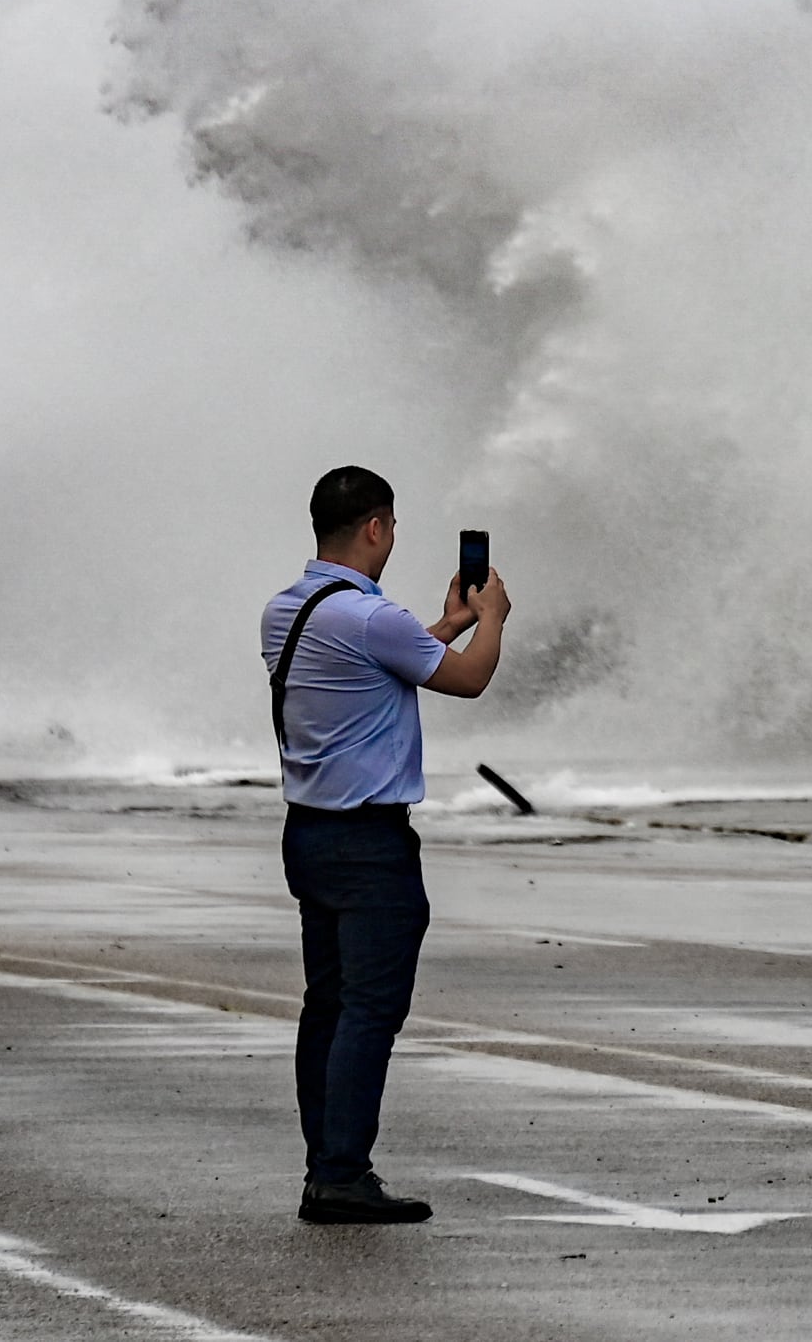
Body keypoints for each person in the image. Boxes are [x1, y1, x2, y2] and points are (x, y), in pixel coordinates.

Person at [261, 464, 512, 1225]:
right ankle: (342, 1174)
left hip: (308, 833)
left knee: (328, 1008)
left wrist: (442, 626)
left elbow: (376, 665)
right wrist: (491, 617)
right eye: (394, 526)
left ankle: (323, 1167)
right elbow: (467, 681)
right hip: (369, 842)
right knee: (370, 1012)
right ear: (376, 526)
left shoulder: (286, 610)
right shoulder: (374, 618)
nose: (395, 538)